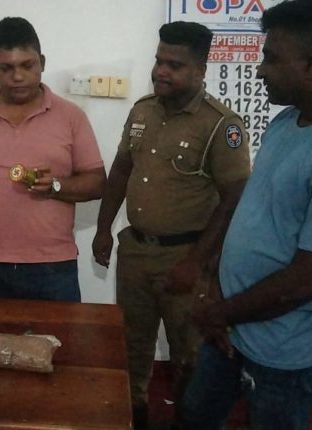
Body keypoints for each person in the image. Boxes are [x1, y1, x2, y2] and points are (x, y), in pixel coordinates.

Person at [181, 1, 312, 428]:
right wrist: (217, 291)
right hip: (233, 324)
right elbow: (254, 214)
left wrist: (219, 313)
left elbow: (309, 279)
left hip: (285, 348)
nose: (260, 70)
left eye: (272, 58)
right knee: (193, 419)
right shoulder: (288, 121)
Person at [92, 21, 250, 428]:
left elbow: (235, 198)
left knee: (189, 356)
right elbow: (121, 169)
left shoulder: (221, 125)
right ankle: (135, 418)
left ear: (200, 70)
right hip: (136, 254)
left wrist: (196, 262)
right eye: (158, 61)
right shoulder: (142, 110)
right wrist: (103, 228)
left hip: (187, 259)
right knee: (130, 348)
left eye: (174, 65)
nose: (161, 71)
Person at [0, 17, 105, 301]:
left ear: (42, 62)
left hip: (53, 266)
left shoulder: (71, 117)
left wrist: (56, 186)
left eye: (27, 65)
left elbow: (98, 183)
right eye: (6, 68)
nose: (17, 77)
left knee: (59, 332)